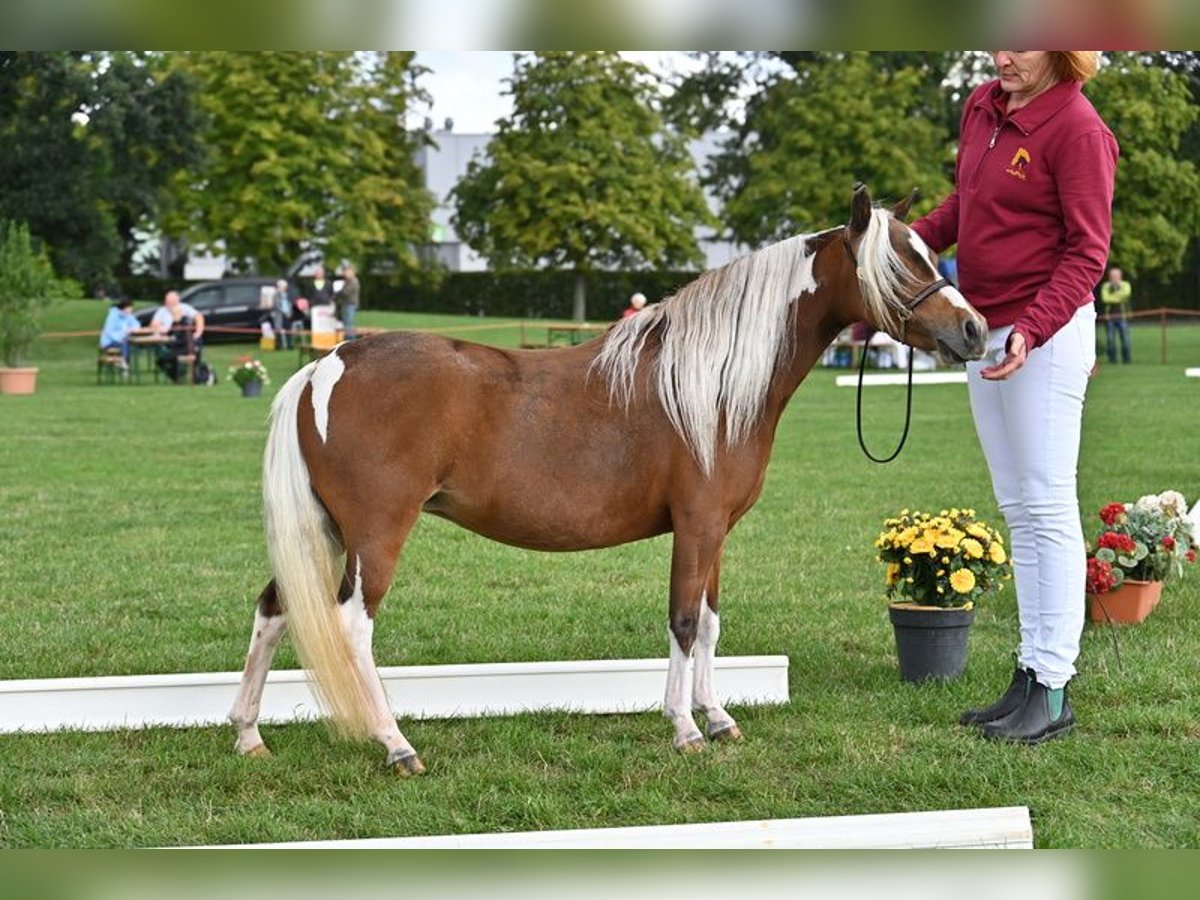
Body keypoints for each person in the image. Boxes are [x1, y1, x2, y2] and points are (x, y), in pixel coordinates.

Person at [912, 51, 1119, 745]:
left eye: (1023, 42)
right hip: (981, 326)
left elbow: (1088, 253)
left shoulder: (1080, 129)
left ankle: (1054, 690)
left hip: (1046, 333)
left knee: (1047, 502)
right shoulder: (981, 105)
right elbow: (965, 206)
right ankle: (1030, 674)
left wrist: (1031, 330)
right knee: (1018, 510)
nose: (1004, 54)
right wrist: (904, 241)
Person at [150, 289, 206, 383]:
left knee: (165, 358)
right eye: (167, 301)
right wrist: (160, 330)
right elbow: (154, 326)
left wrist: (198, 332)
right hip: (174, 345)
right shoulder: (166, 315)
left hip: (184, 347)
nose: (169, 305)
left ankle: (192, 375)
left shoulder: (184, 321)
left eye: (171, 302)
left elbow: (198, 317)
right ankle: (177, 377)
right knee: (163, 359)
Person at [1098, 266, 1132, 364]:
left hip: (1123, 317)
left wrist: (1112, 296)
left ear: (1120, 276)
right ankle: (1112, 360)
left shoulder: (1126, 285)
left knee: (1125, 340)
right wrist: (1119, 296)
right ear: (1109, 277)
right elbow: (1105, 299)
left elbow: (1126, 294)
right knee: (1110, 341)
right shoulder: (1105, 286)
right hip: (1109, 318)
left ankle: (1127, 360)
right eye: (1112, 276)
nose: (1114, 278)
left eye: (1116, 276)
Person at [98, 298, 140, 369]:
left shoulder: (128, 315)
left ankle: (124, 363)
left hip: (123, 340)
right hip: (109, 341)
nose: (132, 309)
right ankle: (124, 363)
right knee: (125, 342)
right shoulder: (113, 316)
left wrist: (131, 329)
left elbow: (137, 324)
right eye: (130, 307)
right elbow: (109, 332)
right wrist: (121, 337)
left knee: (130, 343)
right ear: (125, 308)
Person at [335, 264, 360, 339]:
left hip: (350, 305)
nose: (345, 273)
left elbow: (345, 292)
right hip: (346, 304)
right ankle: (348, 339)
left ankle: (351, 341)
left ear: (352, 272)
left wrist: (337, 293)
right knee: (346, 324)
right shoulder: (348, 281)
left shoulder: (353, 281)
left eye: (347, 271)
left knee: (349, 324)